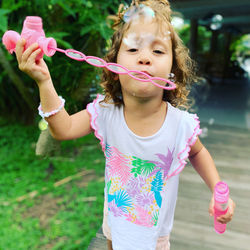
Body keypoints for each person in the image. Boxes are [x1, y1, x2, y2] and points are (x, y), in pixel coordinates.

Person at [15, 0, 235, 249]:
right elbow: (62, 129)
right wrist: (44, 81)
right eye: (133, 50)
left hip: (155, 242)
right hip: (113, 228)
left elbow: (198, 152)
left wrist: (217, 187)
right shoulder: (105, 112)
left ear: (172, 69)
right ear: (113, 64)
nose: (144, 58)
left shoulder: (179, 124)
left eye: (158, 51)